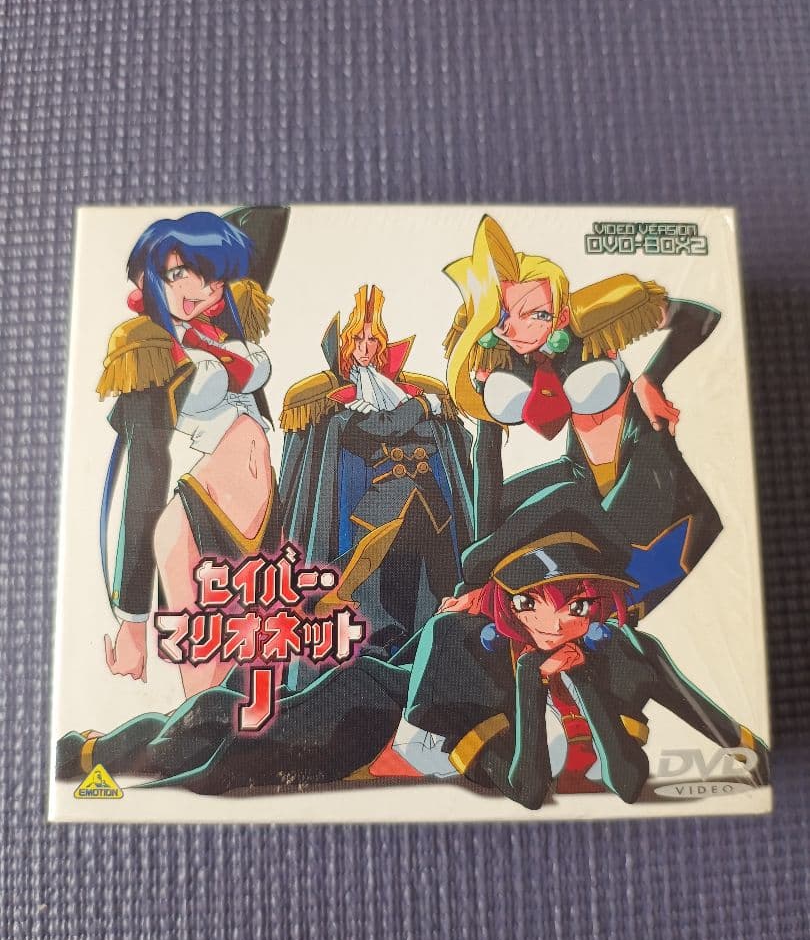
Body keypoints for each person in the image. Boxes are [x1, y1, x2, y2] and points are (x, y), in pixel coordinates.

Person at [405, 483, 769, 808]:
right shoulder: (467, 653)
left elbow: (627, 785)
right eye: (528, 602)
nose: (554, 625)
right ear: (502, 600)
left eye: (577, 607)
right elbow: (528, 792)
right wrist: (530, 678)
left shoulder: (619, 653)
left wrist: (583, 678)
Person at [443, 215, 723, 614]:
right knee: (490, 504)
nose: (517, 328)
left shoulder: (592, 320)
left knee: (563, 501)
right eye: (505, 317)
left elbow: (701, 317)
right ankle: (478, 588)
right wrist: (478, 562)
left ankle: (479, 578)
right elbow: (486, 460)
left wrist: (651, 379)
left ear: (558, 313)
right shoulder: (502, 355)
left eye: (535, 313)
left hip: (648, 480)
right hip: (583, 472)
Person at [98, 207, 289, 695]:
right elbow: (144, 478)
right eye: (180, 273)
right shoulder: (145, 349)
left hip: (260, 515)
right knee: (208, 683)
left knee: (262, 670)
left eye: (212, 277)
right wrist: (133, 621)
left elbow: (268, 223)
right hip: (196, 517)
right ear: (148, 277)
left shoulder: (220, 333)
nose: (199, 288)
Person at [278, 283, 474, 676]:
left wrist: (424, 412)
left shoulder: (400, 390)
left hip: (430, 508)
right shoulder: (342, 399)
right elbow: (381, 427)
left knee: (434, 597)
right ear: (345, 346)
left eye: (372, 340)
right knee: (373, 608)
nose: (365, 348)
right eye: (358, 340)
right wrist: (422, 406)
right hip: (379, 512)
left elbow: (444, 440)